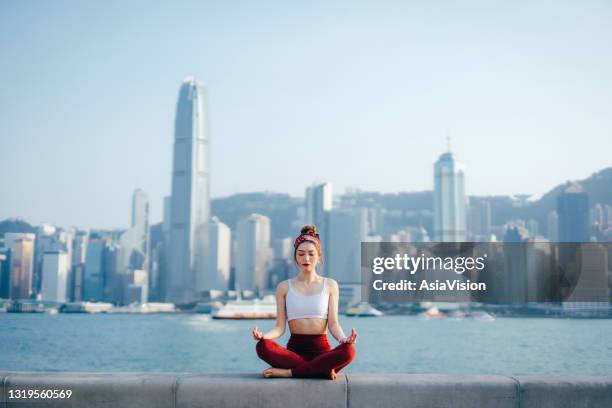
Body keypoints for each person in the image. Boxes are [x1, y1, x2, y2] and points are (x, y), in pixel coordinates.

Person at [252, 224, 357, 379]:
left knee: (349, 350)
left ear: (319, 256)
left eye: (311, 254)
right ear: (295, 257)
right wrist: (264, 336)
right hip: (293, 354)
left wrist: (344, 339)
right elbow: (280, 328)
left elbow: (334, 324)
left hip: (322, 353)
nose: (306, 258)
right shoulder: (284, 287)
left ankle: (291, 372)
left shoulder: (330, 285)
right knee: (262, 347)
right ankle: (319, 371)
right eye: (301, 254)